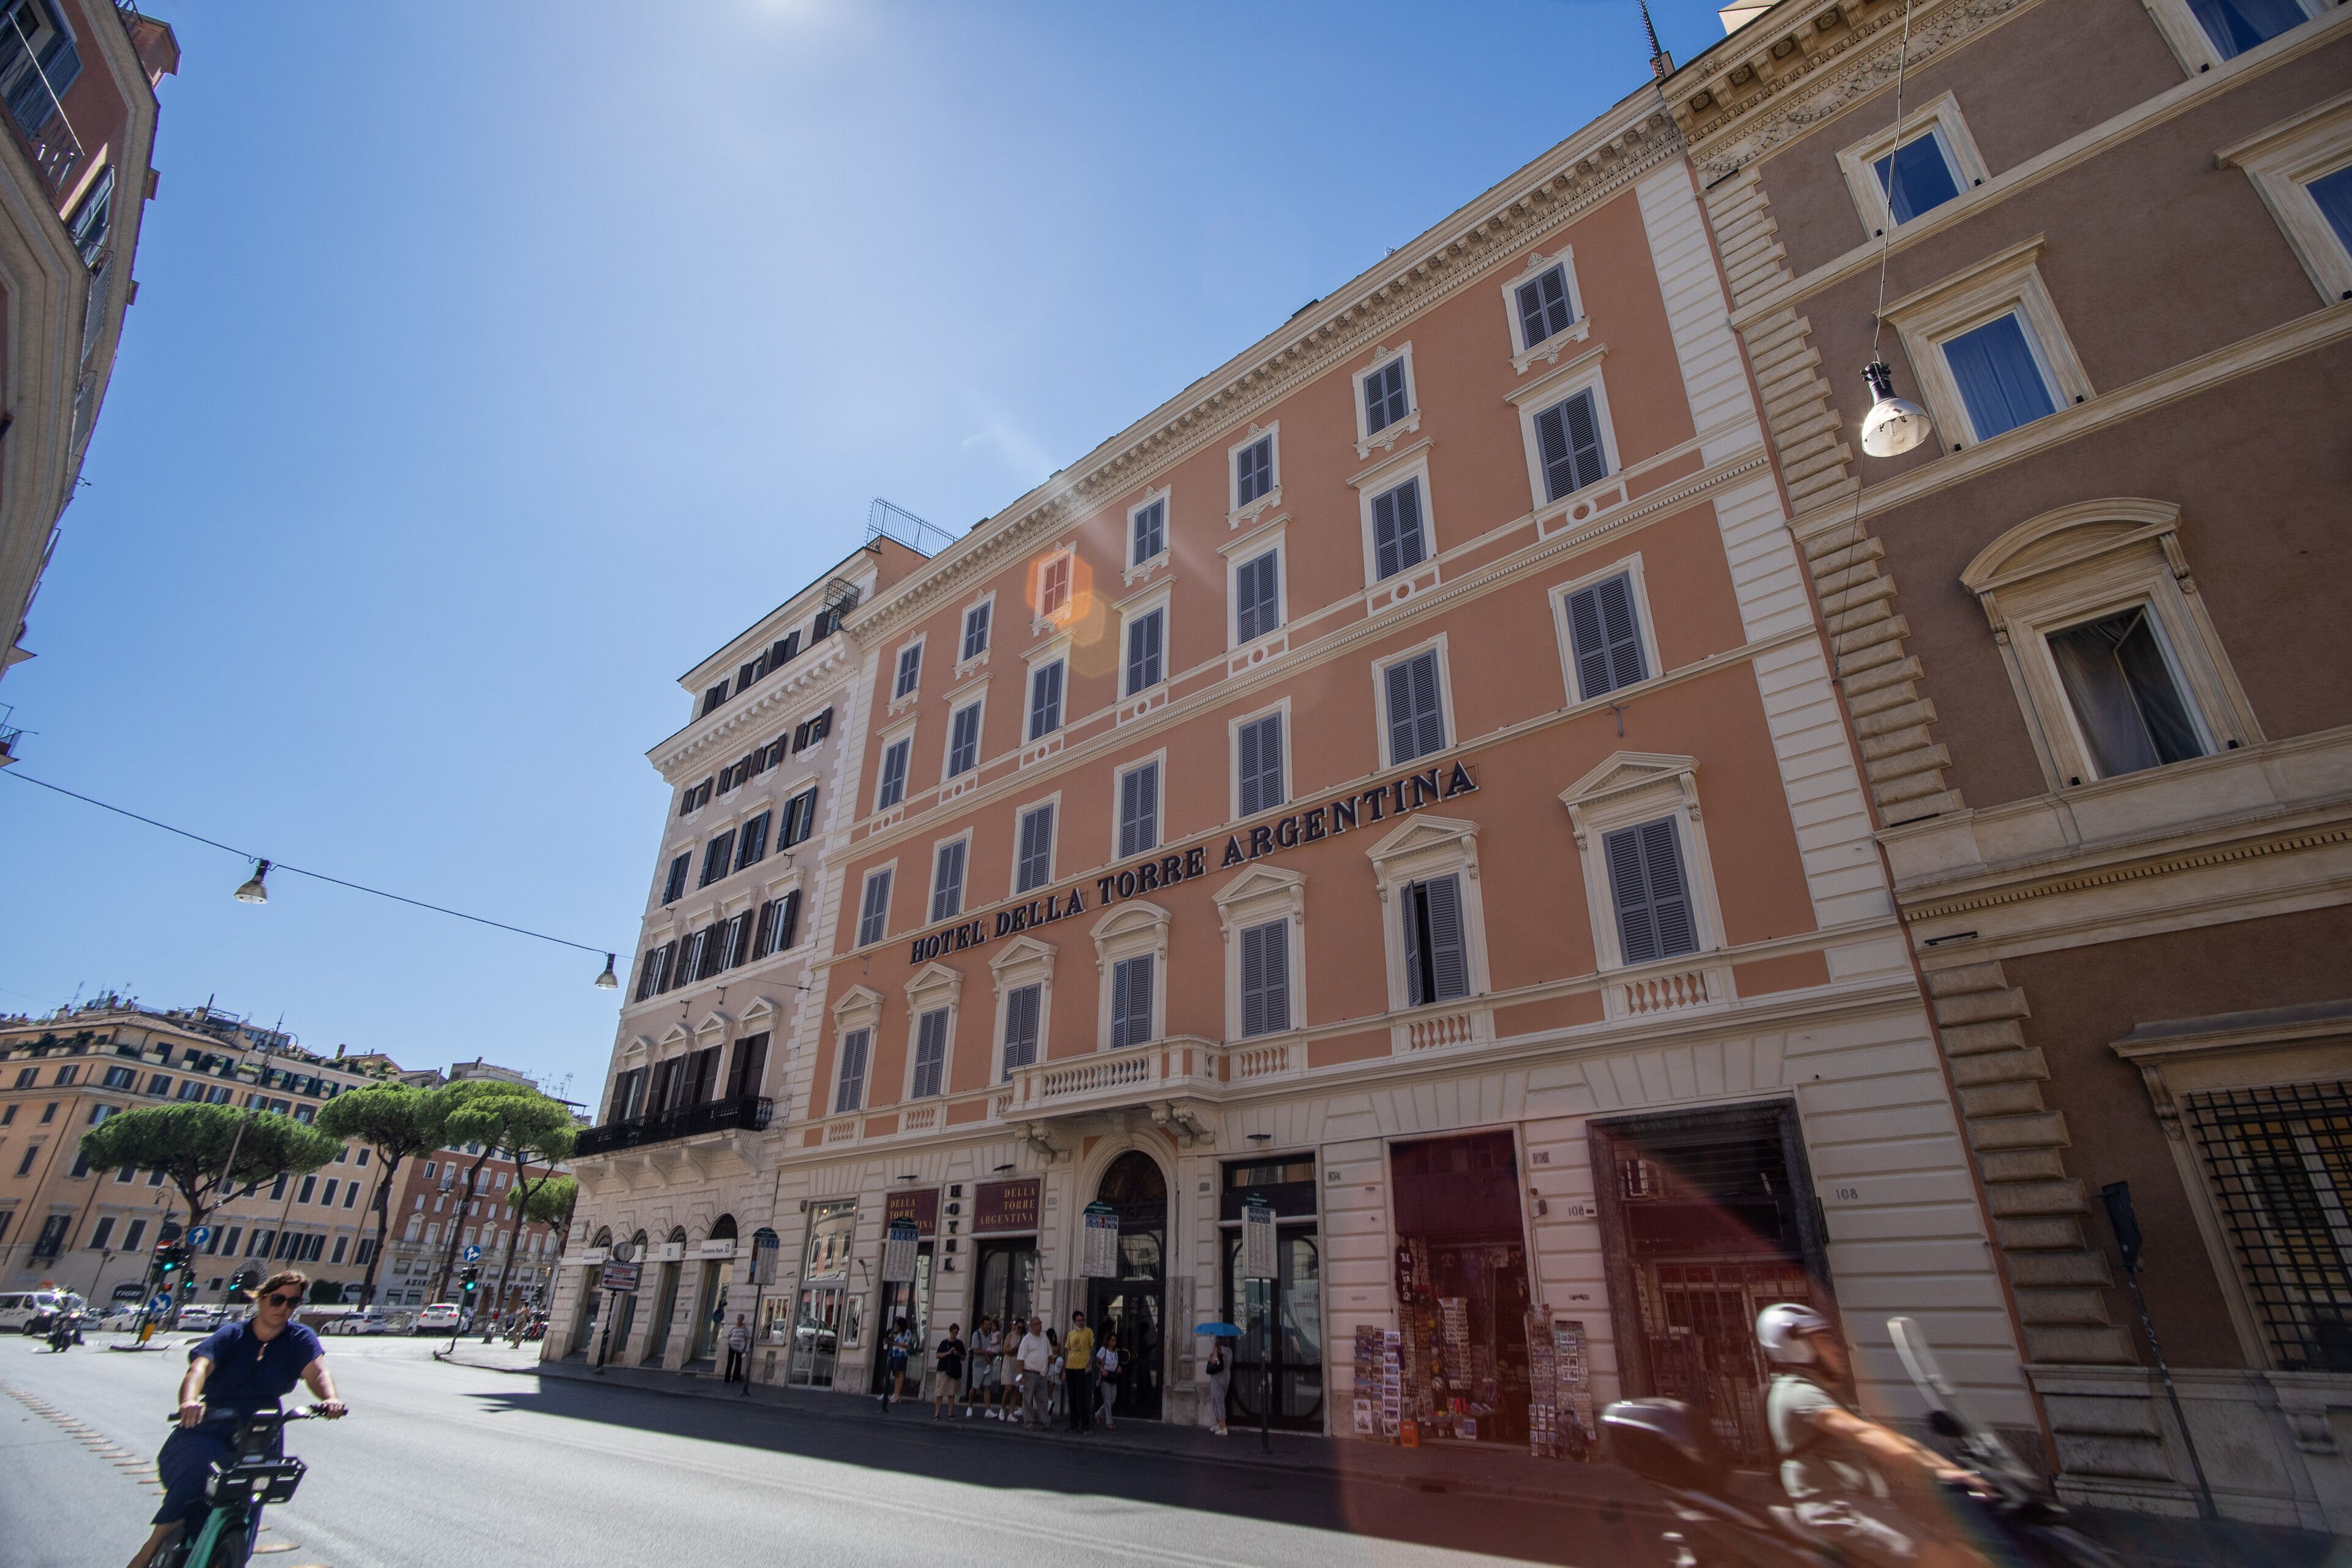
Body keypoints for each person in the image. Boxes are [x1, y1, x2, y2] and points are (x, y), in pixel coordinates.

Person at [123, 1270, 347, 1568]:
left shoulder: (299, 1338)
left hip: (262, 1429)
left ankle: (232, 1554)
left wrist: (329, 1398)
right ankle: (150, 1550)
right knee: (198, 1472)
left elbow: (317, 1372)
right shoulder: (232, 1334)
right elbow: (199, 1369)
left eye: (292, 1303)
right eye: (277, 1299)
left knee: (254, 1495)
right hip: (211, 1423)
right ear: (261, 1298)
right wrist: (189, 1401)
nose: (283, 1308)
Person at [1757, 1304, 1996, 1568]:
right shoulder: (1796, 1392)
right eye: (1824, 1340)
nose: (1838, 1349)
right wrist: (1934, 1473)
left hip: (1865, 1503)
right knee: (1939, 1560)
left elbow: (1889, 1437)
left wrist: (1956, 1472)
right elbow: (1863, 1434)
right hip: (1837, 1513)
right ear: (1796, 1346)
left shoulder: (1824, 1392)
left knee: (1970, 1559)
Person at [1016, 1315, 1054, 1430]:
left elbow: (1050, 1354)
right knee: (1028, 1399)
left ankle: (1046, 1422)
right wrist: (1021, 1374)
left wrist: (1048, 1369)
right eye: (1038, 1324)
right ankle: (1029, 1422)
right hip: (1030, 1373)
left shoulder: (1044, 1338)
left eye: (1041, 1323)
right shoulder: (1027, 1340)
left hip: (1042, 1374)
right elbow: (1020, 1359)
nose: (1040, 1326)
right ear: (1032, 1326)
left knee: (1043, 1400)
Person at [1062, 1310, 1096, 1434]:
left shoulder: (1089, 1332)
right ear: (1074, 1321)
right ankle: (1074, 1423)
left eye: (1083, 1320)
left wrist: (1088, 1365)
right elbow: (1067, 1352)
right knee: (1072, 1396)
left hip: (1082, 1368)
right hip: (1070, 1367)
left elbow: (1092, 1349)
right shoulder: (1071, 1334)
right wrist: (1064, 1370)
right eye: (1079, 1320)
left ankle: (1084, 1423)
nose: (1081, 1322)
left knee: (1081, 1396)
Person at [931, 1323, 967, 1419]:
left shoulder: (959, 1344)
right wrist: (947, 1353)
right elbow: (937, 1355)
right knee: (940, 1392)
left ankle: (950, 1413)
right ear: (950, 1332)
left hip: (954, 1370)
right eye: (954, 1333)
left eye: (956, 1333)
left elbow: (964, 1357)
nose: (955, 1335)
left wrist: (957, 1353)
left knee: (952, 1393)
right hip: (943, 1369)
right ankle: (937, 1413)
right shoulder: (944, 1343)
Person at [970, 1316, 1001, 1419]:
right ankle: (970, 1407)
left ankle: (988, 1410)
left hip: (989, 1364)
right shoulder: (977, 1335)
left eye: (989, 1325)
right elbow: (975, 1350)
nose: (988, 1326)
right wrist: (986, 1352)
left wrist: (992, 1354)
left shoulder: (990, 1335)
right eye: (987, 1324)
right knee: (975, 1387)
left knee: (987, 1387)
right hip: (979, 1364)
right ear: (982, 1324)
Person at [1204, 1338, 1231, 1437]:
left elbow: (1215, 1362)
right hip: (1227, 1376)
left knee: (1218, 1401)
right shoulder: (1229, 1350)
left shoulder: (1217, 1348)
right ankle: (1217, 1423)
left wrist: (1210, 1359)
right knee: (1220, 1399)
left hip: (1217, 1377)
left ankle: (1223, 1427)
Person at [1095, 1330, 1120, 1430]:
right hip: (1105, 1378)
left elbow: (1116, 1363)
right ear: (1108, 1341)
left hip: (1113, 1377)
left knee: (1112, 1399)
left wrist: (1119, 1368)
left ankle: (1098, 1414)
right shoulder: (1103, 1350)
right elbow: (1096, 1362)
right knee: (1108, 1400)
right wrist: (1102, 1369)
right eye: (1113, 1340)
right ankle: (1109, 1423)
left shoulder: (1116, 1352)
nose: (1114, 1342)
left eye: (1115, 1340)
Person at [723, 1313, 752, 1384]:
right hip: (732, 1347)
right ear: (737, 1319)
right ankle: (727, 1379)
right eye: (739, 1319)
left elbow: (746, 1338)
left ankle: (735, 1379)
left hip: (740, 1348)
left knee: (738, 1364)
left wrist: (744, 1347)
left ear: (743, 1320)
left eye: (741, 1319)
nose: (740, 1320)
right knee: (730, 1363)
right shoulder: (733, 1327)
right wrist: (729, 1342)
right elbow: (729, 1335)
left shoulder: (744, 1328)